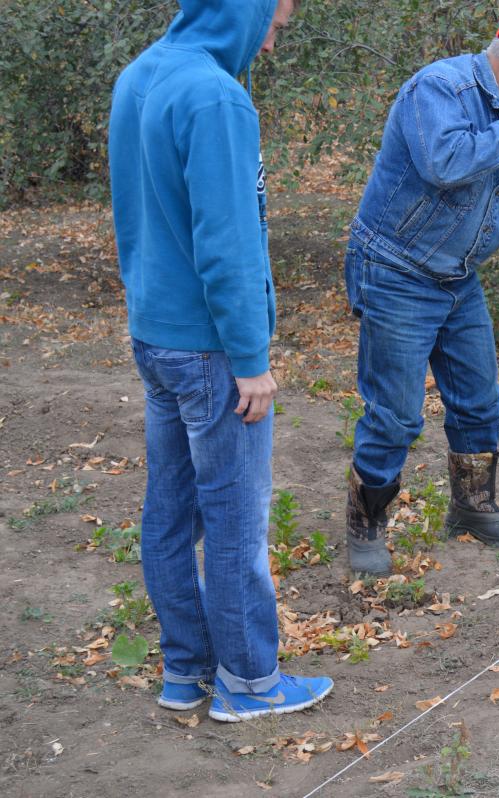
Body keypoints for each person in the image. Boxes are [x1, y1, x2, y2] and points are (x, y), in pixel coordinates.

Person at [109, 0, 333, 722]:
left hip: (154, 336)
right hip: (209, 350)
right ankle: (249, 681)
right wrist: (249, 357)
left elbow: (132, 216)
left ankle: (185, 671)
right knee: (235, 514)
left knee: (170, 510)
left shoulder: (138, 76)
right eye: (272, 25)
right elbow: (228, 241)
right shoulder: (215, 97)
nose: (270, 44)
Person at [343, 11, 499, 574]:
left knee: (480, 401)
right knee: (398, 414)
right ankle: (367, 524)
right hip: (396, 271)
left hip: (457, 278)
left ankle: (472, 509)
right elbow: (444, 164)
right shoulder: (440, 88)